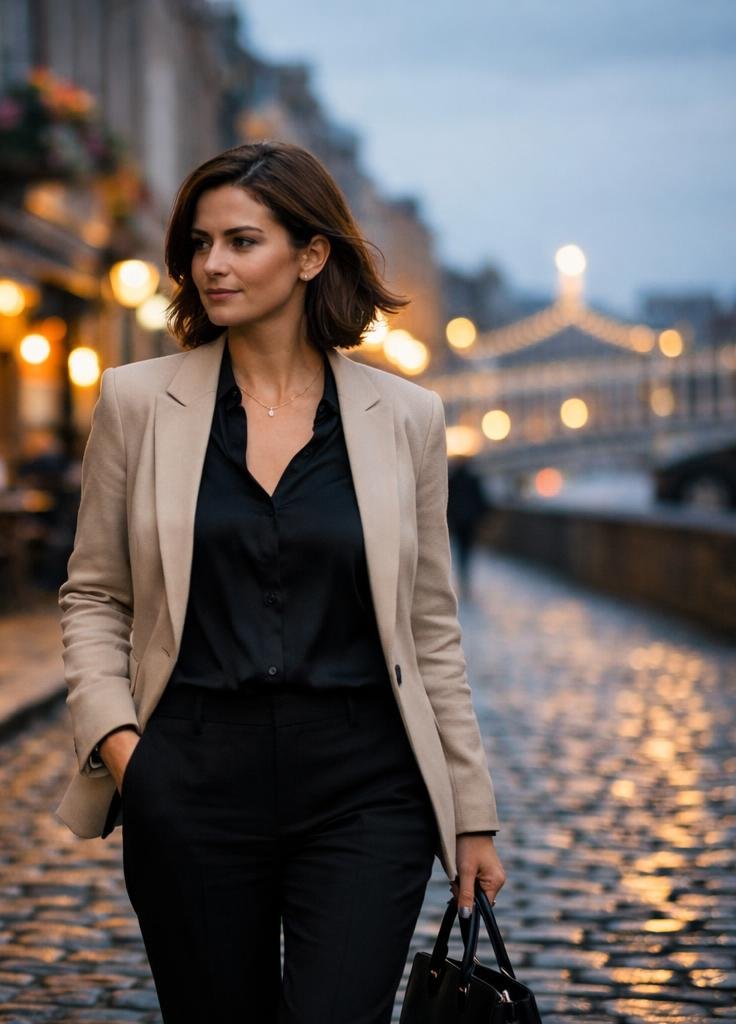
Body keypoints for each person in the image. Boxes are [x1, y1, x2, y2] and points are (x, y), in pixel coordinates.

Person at [52, 141, 506, 1022]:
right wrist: (124, 751)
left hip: (367, 787)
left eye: (241, 241)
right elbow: (95, 595)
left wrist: (471, 811)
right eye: (199, 243)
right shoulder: (138, 402)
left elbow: (429, 629)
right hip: (190, 777)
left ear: (310, 255)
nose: (212, 264)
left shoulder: (406, 417)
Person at [447, 454, 492, 600]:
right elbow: (482, 501)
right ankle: (465, 578)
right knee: (466, 550)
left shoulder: (452, 480)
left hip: (458, 521)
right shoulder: (473, 479)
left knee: (460, 550)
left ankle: (462, 577)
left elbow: (446, 501)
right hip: (470, 522)